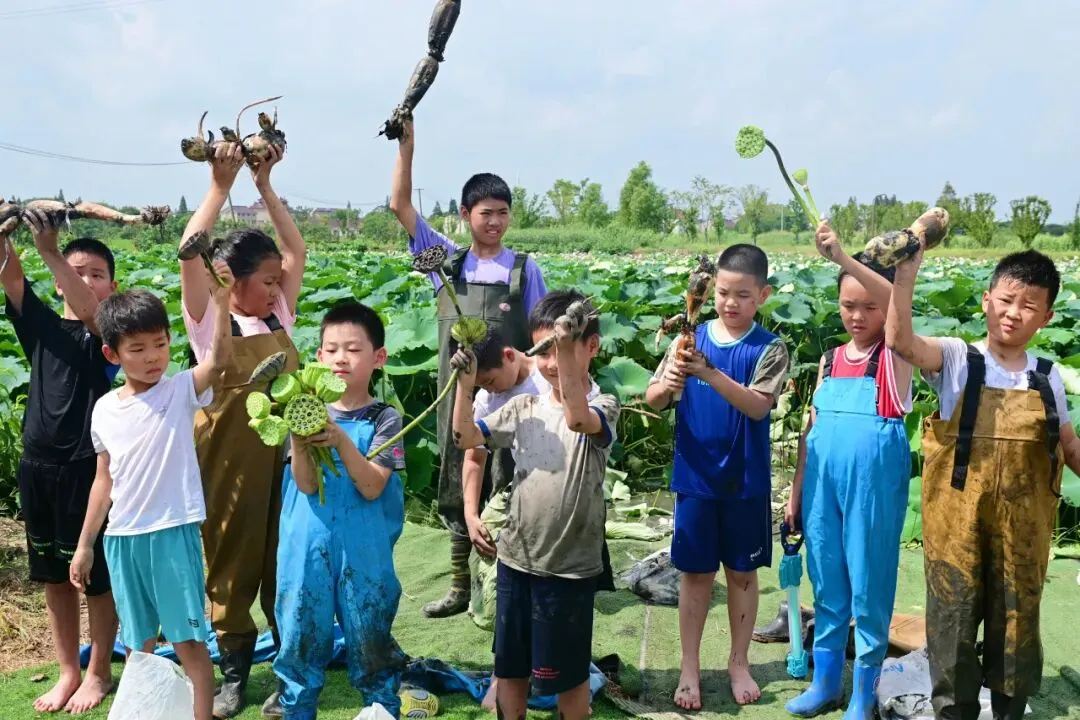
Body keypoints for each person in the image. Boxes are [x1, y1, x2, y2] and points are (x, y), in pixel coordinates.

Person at [887, 246, 1080, 720]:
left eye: (1029, 305)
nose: (1014, 313)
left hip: (1024, 534)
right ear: (986, 300)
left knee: (1017, 625)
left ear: (1046, 317)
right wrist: (905, 274)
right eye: (1006, 300)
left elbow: (1069, 445)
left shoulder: (1048, 376)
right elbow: (901, 342)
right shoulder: (958, 358)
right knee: (951, 624)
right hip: (956, 530)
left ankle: (1010, 711)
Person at [390, 118, 547, 618]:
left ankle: (505, 584)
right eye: (485, 213)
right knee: (458, 476)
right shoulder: (446, 264)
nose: (495, 222)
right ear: (465, 215)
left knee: (510, 479)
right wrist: (407, 146)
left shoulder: (523, 270)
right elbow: (400, 206)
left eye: (503, 213)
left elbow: (541, 338)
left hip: (512, 398)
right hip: (456, 393)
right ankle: (460, 584)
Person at [70, 272, 234, 720]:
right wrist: (85, 546)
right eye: (137, 349)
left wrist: (221, 304)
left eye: (160, 344)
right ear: (112, 354)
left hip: (171, 534)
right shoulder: (105, 409)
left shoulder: (180, 390)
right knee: (137, 646)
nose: (152, 357)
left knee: (188, 642)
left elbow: (219, 362)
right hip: (121, 540)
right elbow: (103, 481)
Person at [450, 290, 620, 720]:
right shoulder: (522, 407)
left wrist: (563, 348)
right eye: (543, 351)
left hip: (569, 570)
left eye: (560, 349)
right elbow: (465, 439)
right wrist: (465, 385)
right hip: (516, 562)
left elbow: (577, 419)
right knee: (510, 671)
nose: (551, 362)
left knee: (569, 680)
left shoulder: (603, 406)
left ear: (592, 347)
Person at [180, 142, 305, 718]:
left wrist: (265, 186)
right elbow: (190, 252)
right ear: (233, 281)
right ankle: (233, 676)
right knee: (229, 559)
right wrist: (218, 187)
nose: (278, 288)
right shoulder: (209, 318)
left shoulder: (278, 315)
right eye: (268, 281)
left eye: (280, 281)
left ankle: (288, 667)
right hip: (228, 461)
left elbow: (295, 249)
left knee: (286, 559)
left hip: (287, 459)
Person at [644, 244, 790, 710]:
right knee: (696, 575)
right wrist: (669, 384)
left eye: (743, 295)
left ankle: (738, 662)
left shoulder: (770, 348)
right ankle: (689, 666)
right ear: (710, 291)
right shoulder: (689, 339)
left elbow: (758, 406)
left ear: (763, 295)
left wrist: (707, 373)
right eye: (723, 293)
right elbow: (653, 398)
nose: (731, 302)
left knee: (743, 574)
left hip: (745, 480)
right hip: (695, 477)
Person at [783, 224, 913, 719]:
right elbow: (809, 431)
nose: (857, 316)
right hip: (822, 489)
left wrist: (842, 258)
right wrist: (796, 493)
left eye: (869, 307)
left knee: (869, 587)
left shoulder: (895, 356)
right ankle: (825, 683)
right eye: (847, 305)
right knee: (827, 583)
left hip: (871, 490)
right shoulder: (829, 360)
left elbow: (899, 302)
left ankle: (863, 693)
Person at [0, 210, 120, 714]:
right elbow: (11, 277)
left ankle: (99, 671)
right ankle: (69, 669)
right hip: (38, 468)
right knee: (54, 576)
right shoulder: (41, 325)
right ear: (57, 281)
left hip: (86, 471)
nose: (86, 281)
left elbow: (91, 312)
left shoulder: (109, 335)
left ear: (112, 287)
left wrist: (51, 251)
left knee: (94, 577)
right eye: (77, 271)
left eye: (96, 274)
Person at [272, 301, 408, 720]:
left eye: (353, 349)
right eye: (331, 350)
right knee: (299, 635)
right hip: (306, 546)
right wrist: (300, 440)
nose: (340, 359)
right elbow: (307, 484)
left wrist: (340, 440)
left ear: (378, 357)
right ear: (318, 356)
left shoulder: (386, 419)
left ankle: (381, 709)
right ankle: (296, 711)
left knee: (370, 638)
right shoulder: (301, 408)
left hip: (364, 550)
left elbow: (371, 486)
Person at [456, 325, 550, 710]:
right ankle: (506, 673)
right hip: (515, 492)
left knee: (556, 595)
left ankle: (564, 674)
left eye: (492, 381)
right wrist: (471, 513)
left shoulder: (549, 378)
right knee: (507, 590)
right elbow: (473, 454)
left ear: (510, 355)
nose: (490, 391)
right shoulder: (485, 397)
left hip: (562, 497)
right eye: (482, 386)